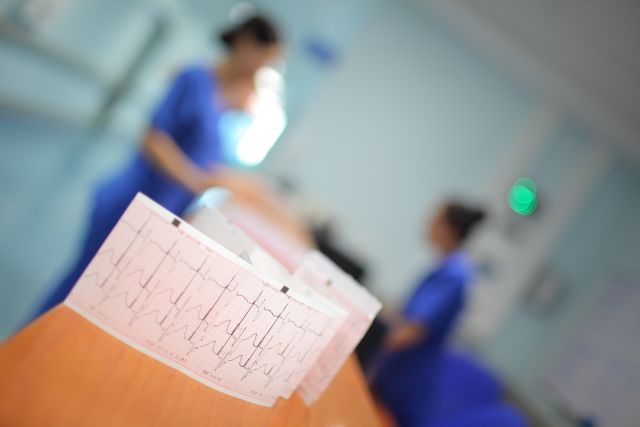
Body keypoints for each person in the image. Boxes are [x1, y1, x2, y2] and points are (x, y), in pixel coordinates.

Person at [34, 14, 282, 316]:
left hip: (164, 211)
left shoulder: (226, 99)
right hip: (134, 200)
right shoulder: (194, 78)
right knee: (79, 287)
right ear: (245, 43)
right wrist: (197, 181)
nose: (262, 68)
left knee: (100, 298)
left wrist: (225, 180)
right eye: (264, 58)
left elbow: (204, 157)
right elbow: (154, 140)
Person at [371, 201, 486, 427]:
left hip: (407, 379)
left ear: (448, 230)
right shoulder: (445, 267)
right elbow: (405, 315)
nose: (427, 224)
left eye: (434, 219)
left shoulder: (455, 276)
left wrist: (366, 341)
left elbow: (412, 331)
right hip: (398, 369)